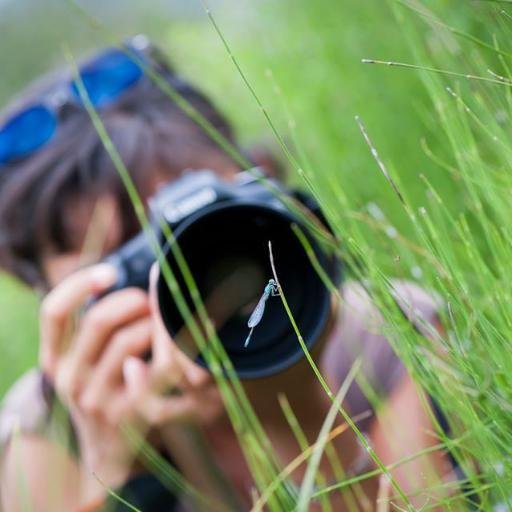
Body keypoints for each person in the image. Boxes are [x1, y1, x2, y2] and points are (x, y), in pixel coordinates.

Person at [0, 36, 453, 512]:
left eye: (212, 236)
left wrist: (297, 412)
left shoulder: (386, 332)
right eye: (137, 260)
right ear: (59, 300)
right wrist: (105, 477)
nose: (190, 285)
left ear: (271, 197)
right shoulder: (45, 428)